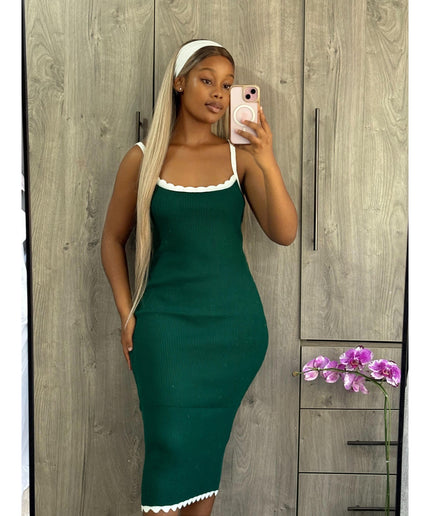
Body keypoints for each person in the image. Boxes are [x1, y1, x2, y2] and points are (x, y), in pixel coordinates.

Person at [101, 39, 297, 516]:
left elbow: (285, 233)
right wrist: (127, 316)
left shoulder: (239, 157)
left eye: (228, 85)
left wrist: (266, 157)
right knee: (169, 449)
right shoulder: (142, 158)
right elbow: (111, 240)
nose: (218, 93)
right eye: (207, 80)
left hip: (233, 332)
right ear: (179, 81)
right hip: (164, 332)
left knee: (203, 457)